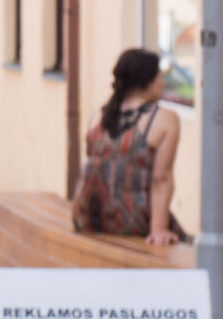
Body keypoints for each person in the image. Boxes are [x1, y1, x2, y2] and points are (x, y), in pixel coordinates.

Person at [72, 48, 184, 245]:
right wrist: (159, 230)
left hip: (87, 218)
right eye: (159, 76)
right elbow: (161, 179)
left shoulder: (97, 115)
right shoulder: (164, 119)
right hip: (132, 221)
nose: (163, 83)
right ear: (146, 80)